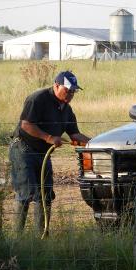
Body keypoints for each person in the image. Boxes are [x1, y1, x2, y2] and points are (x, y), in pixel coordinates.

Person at [9, 70, 90, 235]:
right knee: (26, 193)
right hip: (23, 149)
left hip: (43, 154)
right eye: (67, 90)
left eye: (73, 92)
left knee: (45, 195)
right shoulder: (38, 99)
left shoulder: (67, 109)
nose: (70, 95)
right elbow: (26, 124)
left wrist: (94, 143)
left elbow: (74, 134)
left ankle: (42, 236)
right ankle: (15, 240)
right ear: (56, 85)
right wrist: (49, 138)